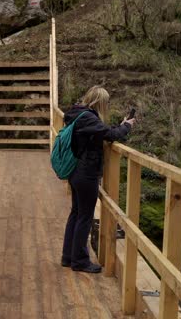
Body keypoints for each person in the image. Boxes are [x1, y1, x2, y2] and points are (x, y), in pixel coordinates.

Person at [61, 85, 135, 273]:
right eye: (106, 102)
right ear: (99, 102)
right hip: (86, 173)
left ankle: (68, 257)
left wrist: (121, 125)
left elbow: (103, 132)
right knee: (84, 216)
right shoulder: (88, 118)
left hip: (76, 171)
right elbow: (111, 135)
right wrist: (127, 126)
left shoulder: (79, 115)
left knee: (76, 213)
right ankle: (79, 261)